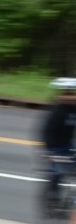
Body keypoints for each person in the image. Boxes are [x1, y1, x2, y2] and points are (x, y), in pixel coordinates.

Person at [38, 77, 76, 214]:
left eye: (71, 94)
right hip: (55, 147)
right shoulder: (56, 112)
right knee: (58, 173)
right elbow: (47, 133)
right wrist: (51, 154)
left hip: (69, 145)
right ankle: (53, 200)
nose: (69, 97)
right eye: (65, 94)